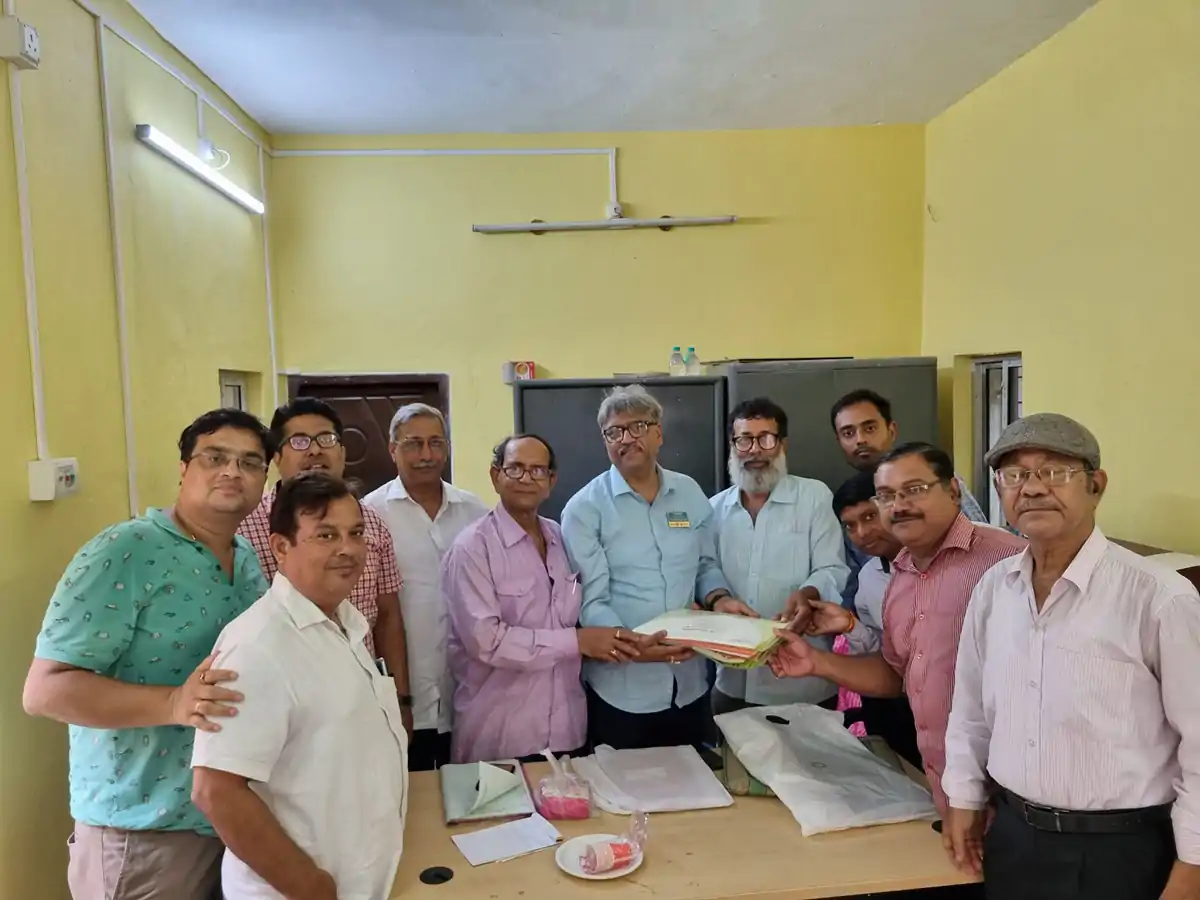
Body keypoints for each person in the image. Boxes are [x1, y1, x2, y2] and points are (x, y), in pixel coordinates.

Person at [942, 414, 1200, 900]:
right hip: (1014, 838)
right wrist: (964, 795)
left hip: (1121, 853)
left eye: (1054, 471)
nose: (1032, 488)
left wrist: (1194, 867)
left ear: (1095, 486)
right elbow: (970, 708)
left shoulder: (1160, 599)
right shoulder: (995, 589)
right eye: (1015, 474)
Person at [22, 408, 273, 900]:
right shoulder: (126, 550)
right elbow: (43, 690)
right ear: (183, 469)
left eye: (250, 462)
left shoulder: (245, 559)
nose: (232, 471)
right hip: (142, 833)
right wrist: (173, 703)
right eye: (215, 457)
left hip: (229, 817)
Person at [770, 442, 1025, 816]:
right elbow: (896, 676)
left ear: (953, 491)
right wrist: (815, 662)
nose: (899, 505)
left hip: (1016, 799)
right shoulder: (900, 578)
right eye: (887, 496)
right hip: (948, 791)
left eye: (915, 489)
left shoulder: (1010, 560)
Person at [192, 472, 408, 900]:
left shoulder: (345, 622)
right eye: (326, 535)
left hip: (363, 879)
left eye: (356, 533)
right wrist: (309, 885)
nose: (348, 549)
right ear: (280, 547)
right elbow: (216, 791)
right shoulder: (257, 647)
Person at [562, 385, 746, 752]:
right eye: (614, 432)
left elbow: (704, 565)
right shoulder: (584, 510)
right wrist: (637, 647)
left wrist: (719, 599)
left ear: (658, 434)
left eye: (638, 426)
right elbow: (591, 601)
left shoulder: (688, 493)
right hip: (622, 692)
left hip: (690, 683)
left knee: (696, 781)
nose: (626, 438)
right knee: (627, 784)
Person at [443, 434, 639, 763]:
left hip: (567, 731)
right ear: (495, 475)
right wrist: (577, 642)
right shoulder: (472, 548)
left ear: (551, 481)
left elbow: (587, 606)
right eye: (515, 468)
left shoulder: (561, 538)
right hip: (502, 736)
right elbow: (487, 642)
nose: (526, 479)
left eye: (537, 471)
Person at [239, 397, 413, 736]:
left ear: (343, 453)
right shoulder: (244, 529)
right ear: (276, 458)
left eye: (326, 439)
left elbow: (388, 616)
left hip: (364, 697)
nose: (315, 450)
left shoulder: (372, 524)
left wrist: (401, 700)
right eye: (299, 441)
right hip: (288, 709)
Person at [363, 403, 488, 771]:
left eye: (436, 443)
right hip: (404, 692)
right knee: (409, 792)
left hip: (467, 691)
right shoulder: (370, 514)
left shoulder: (474, 512)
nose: (426, 455)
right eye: (413, 444)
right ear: (393, 450)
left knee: (468, 790)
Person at [708, 397, 849, 715]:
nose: (754, 450)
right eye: (744, 439)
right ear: (733, 446)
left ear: (782, 444)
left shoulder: (814, 497)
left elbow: (832, 568)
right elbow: (706, 573)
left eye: (766, 439)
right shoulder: (713, 509)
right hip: (733, 679)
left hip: (804, 682)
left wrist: (808, 594)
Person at [830, 389, 987, 606]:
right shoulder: (850, 504)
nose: (860, 440)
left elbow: (979, 543)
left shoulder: (935, 481)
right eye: (848, 433)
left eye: (870, 428)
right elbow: (855, 578)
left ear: (891, 430)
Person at [826, 470, 920, 767]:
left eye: (869, 517)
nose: (862, 533)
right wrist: (849, 626)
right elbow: (879, 651)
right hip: (900, 707)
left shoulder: (943, 563)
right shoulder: (868, 579)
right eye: (850, 526)